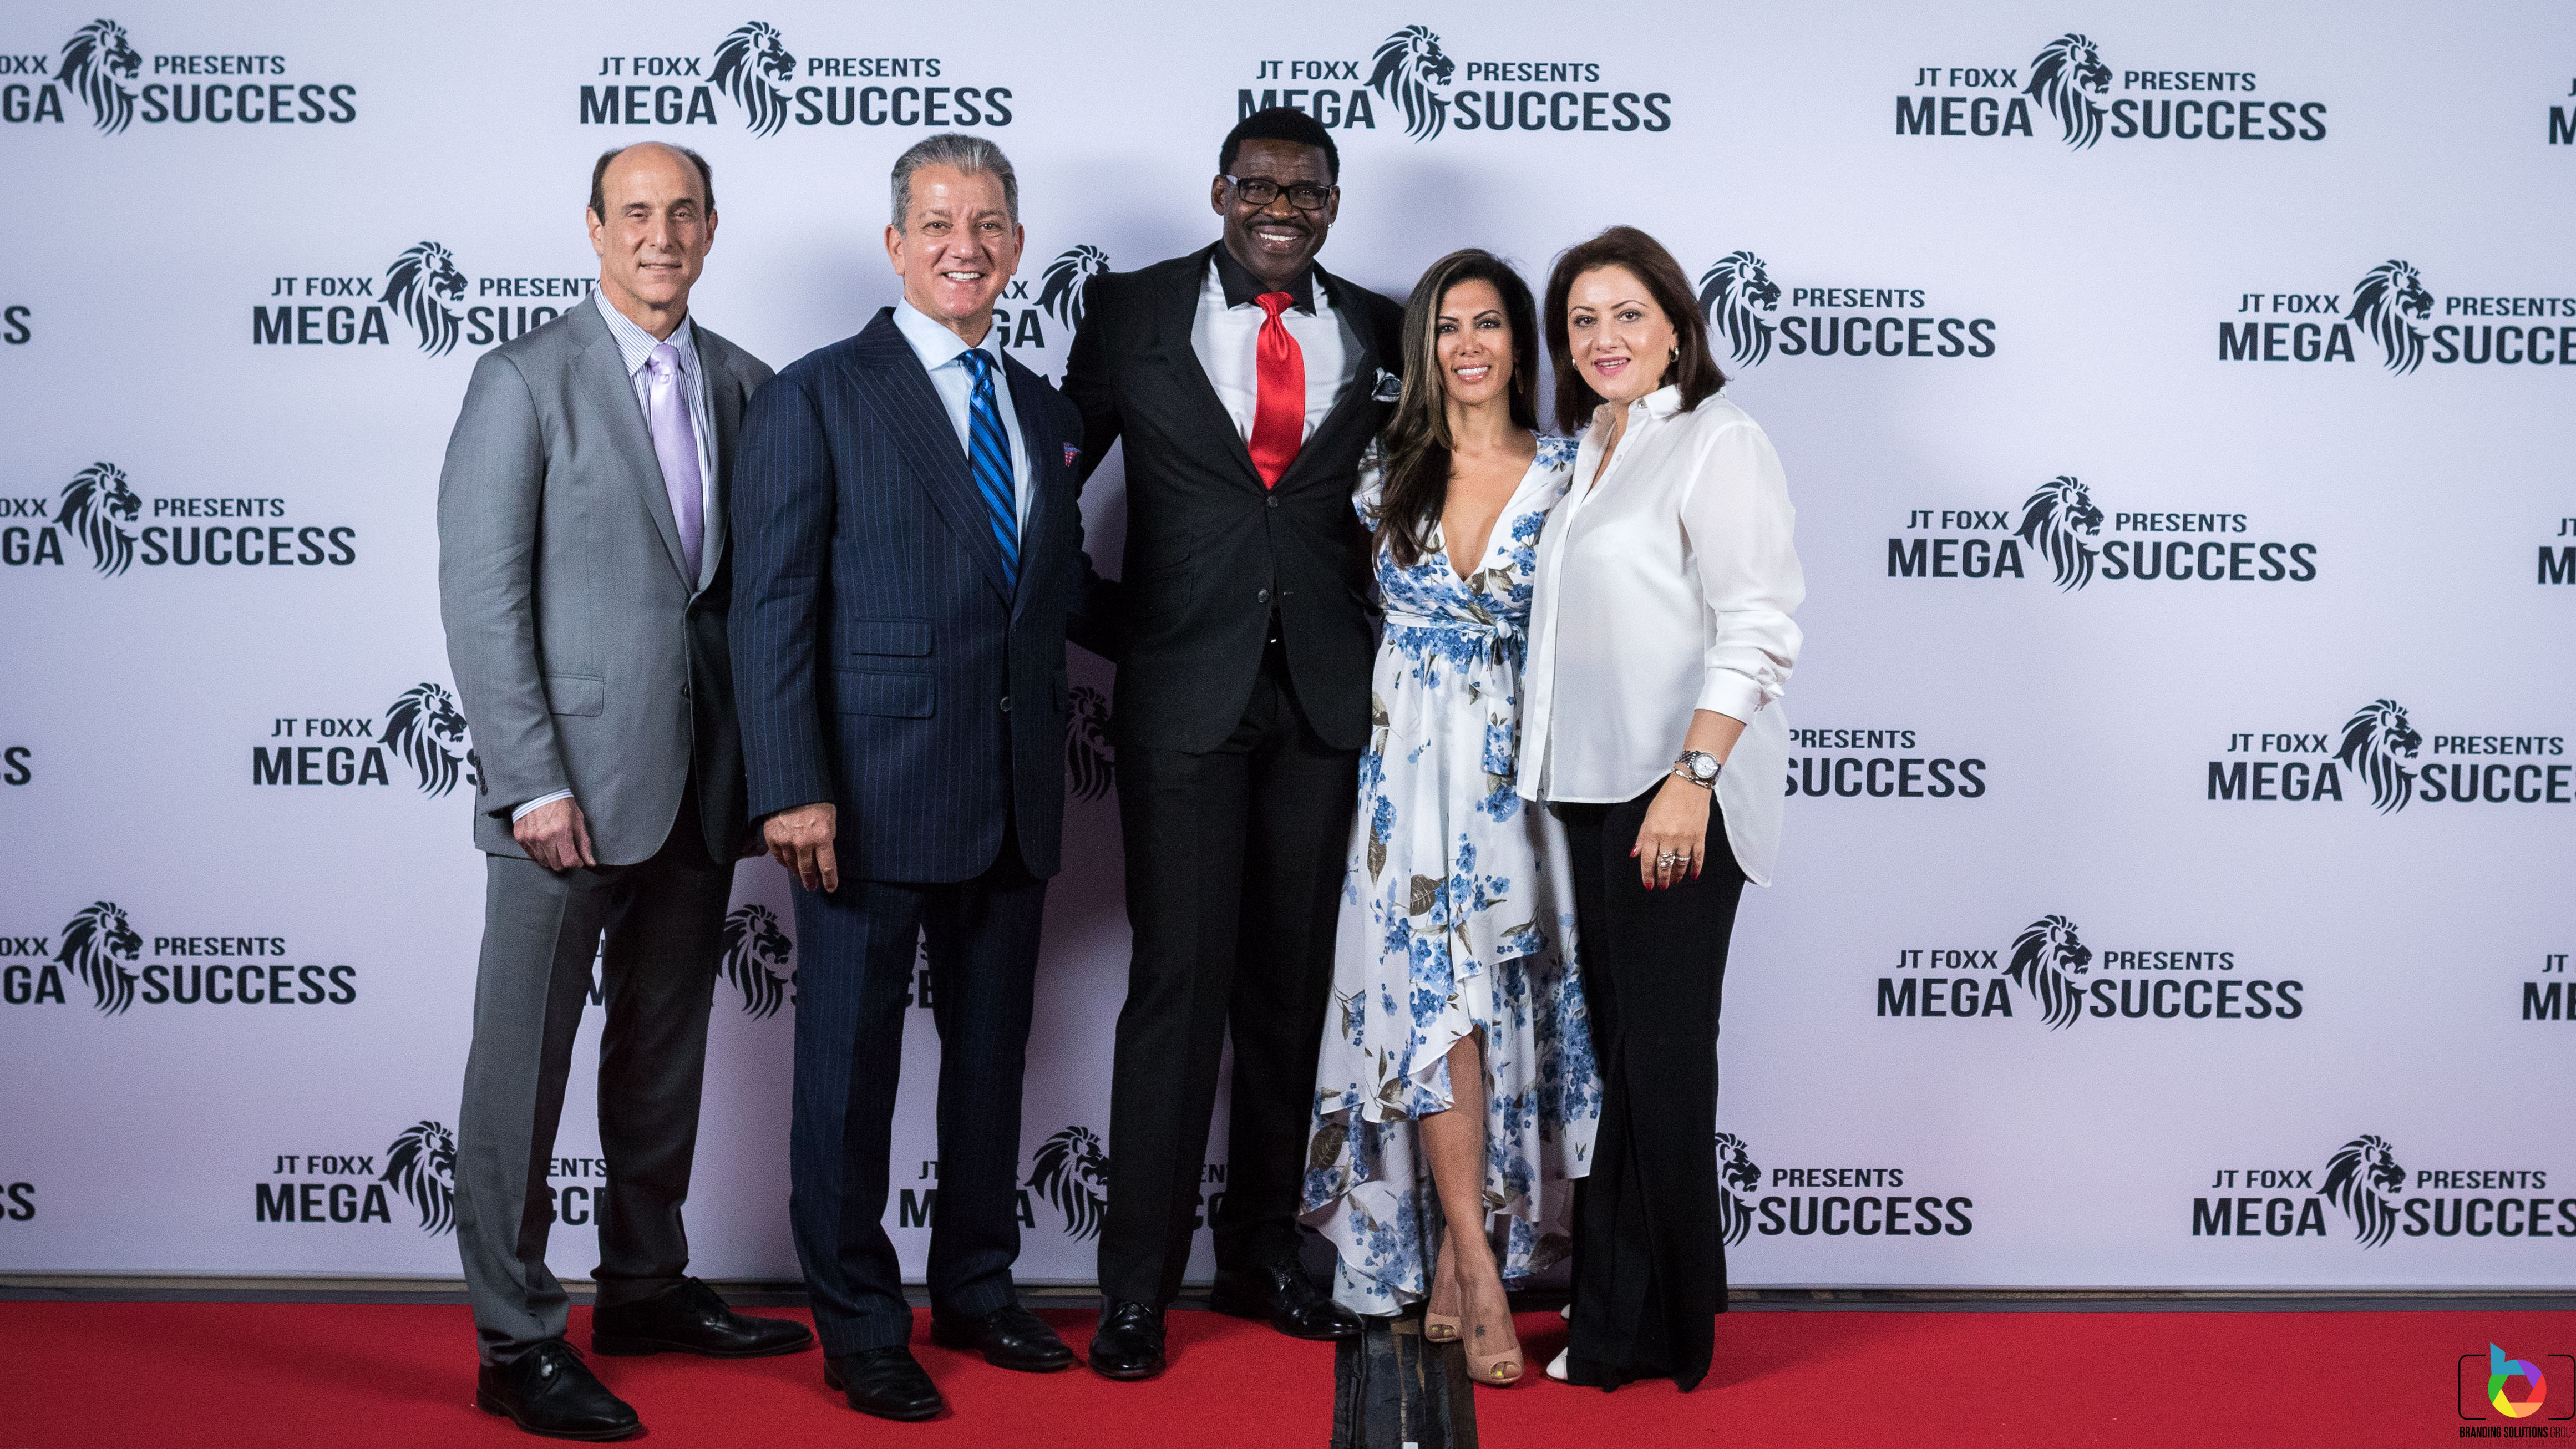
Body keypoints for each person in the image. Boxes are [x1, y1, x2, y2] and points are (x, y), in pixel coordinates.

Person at [729, 134, 1108, 1424]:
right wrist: (792, 782)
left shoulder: (1044, 409)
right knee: (847, 1073)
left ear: (1019, 246)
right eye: (938, 223)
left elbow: (1055, 594)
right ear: (895, 245)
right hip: (863, 794)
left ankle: (980, 1287)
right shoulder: (817, 394)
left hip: (1011, 792)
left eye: (988, 224)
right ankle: (858, 1322)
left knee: (991, 1062)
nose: (965, 245)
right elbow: (770, 605)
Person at [437, 140, 812, 1442]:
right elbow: (482, 598)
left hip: (699, 786)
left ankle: (644, 1284)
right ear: (594, 229)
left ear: (711, 229)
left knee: (663, 1055)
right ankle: (513, 1336)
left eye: (683, 212)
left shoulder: (747, 383)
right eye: (636, 213)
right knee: (521, 1071)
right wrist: (529, 780)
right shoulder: (523, 380)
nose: (661, 235)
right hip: (565, 798)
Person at [1061, 107, 1404, 1379]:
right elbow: (1044, 489)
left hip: (1322, 705)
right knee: (1177, 987)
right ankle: (1136, 1290)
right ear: (1220, 192)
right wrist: (1120, 630)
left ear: (1333, 206)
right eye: (1258, 186)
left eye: (1305, 192)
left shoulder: (1384, 329)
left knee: (1289, 992)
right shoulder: (1131, 312)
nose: (1280, 208)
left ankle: (1263, 1254)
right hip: (1182, 704)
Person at [1301, 249, 1599, 1389]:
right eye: (1446, 326)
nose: (1468, 345)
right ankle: (1476, 1263)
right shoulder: (1382, 472)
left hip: (1520, 786)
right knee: (1436, 1012)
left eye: (1488, 324)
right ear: (1423, 348)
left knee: (1498, 1004)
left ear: (1521, 344)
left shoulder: (1572, 473)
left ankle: (1451, 1254)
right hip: (1407, 786)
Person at [1519, 226, 1803, 1392]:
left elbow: (1760, 625)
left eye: (1628, 314)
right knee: (1625, 1056)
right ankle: (1616, 1303)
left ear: (1679, 328)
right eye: (1583, 320)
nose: (1605, 338)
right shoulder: (1596, 444)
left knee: (1664, 1057)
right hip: (1593, 791)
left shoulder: (1720, 438)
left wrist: (1692, 780)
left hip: (1675, 789)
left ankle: (1657, 1331)